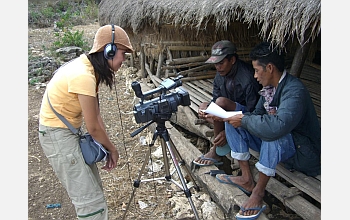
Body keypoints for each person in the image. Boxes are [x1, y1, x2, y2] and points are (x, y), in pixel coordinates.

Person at [38, 24, 134, 220]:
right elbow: (92, 127)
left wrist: (106, 147)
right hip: (57, 135)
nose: (124, 60)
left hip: (66, 131)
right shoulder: (84, 75)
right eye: (123, 53)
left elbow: (96, 116)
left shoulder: (90, 70)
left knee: (94, 190)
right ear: (109, 50)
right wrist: (113, 149)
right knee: (90, 203)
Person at [215, 42, 321, 219]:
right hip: (283, 146)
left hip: (304, 154)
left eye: (257, 70)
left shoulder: (294, 91)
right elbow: (256, 114)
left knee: (273, 135)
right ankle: (246, 178)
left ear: (270, 68)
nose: (255, 76)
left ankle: (258, 193)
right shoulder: (269, 89)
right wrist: (234, 118)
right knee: (233, 119)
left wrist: (245, 119)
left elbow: (277, 127)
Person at [192, 40, 261, 166]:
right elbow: (215, 101)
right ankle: (219, 145)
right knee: (209, 107)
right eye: (216, 64)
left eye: (221, 63)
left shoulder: (248, 79)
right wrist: (205, 108)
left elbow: (254, 112)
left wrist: (227, 131)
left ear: (232, 60)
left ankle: (216, 150)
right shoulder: (220, 76)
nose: (218, 67)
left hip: (247, 116)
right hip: (228, 114)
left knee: (220, 102)